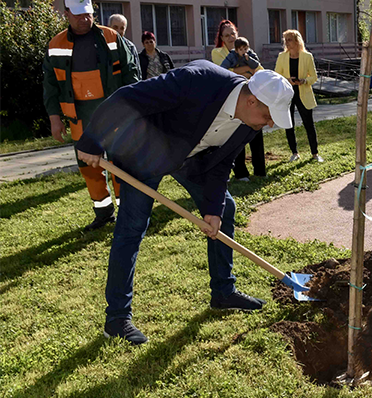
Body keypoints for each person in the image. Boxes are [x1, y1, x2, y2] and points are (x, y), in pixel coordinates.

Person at [74, 63, 294, 344]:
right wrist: (92, 140)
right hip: (145, 150)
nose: (269, 123)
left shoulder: (250, 122)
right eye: (268, 115)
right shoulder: (197, 81)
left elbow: (221, 163)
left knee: (225, 211)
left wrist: (212, 210)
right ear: (251, 100)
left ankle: (223, 292)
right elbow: (126, 98)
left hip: (189, 157)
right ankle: (117, 319)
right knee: (131, 229)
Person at [42, 0, 139, 231]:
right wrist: (55, 119)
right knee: (89, 167)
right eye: (77, 15)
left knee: (121, 164)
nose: (83, 20)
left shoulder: (112, 37)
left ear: (93, 13)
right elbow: (50, 86)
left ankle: (128, 212)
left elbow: (131, 74)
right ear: (66, 14)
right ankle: (103, 213)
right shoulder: (55, 46)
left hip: (115, 113)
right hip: (80, 117)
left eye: (87, 15)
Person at [211, 20, 266, 180]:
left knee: (256, 133)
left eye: (232, 34)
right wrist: (247, 69)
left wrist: (241, 70)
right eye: (226, 35)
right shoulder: (217, 53)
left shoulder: (247, 49)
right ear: (221, 37)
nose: (230, 37)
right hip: (233, 100)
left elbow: (260, 70)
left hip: (252, 97)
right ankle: (240, 173)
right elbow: (223, 73)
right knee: (237, 136)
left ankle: (260, 171)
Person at [275, 29, 324, 163]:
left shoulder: (307, 56)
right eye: (285, 40)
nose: (287, 43)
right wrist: (287, 80)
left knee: (309, 124)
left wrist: (304, 81)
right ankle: (294, 152)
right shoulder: (282, 56)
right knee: (288, 123)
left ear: (297, 41)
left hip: (303, 93)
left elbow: (314, 77)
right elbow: (276, 76)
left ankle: (315, 153)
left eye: (289, 40)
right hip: (288, 94)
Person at [108, 14, 141, 80]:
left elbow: (137, 71)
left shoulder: (130, 47)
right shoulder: (102, 45)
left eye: (122, 28)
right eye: (115, 27)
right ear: (109, 27)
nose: (119, 31)